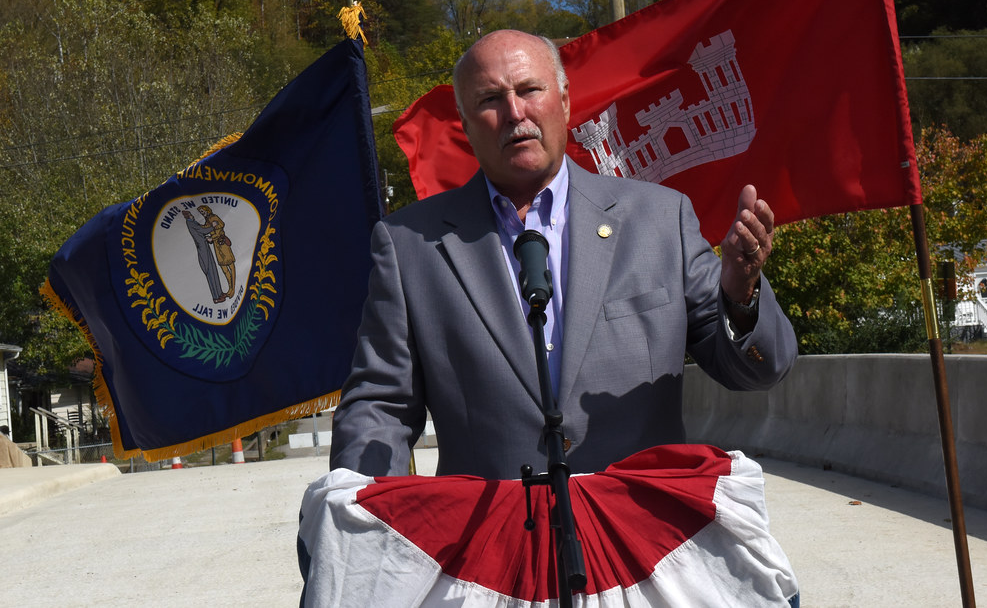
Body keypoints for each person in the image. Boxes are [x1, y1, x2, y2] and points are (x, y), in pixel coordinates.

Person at [329, 30, 797, 481]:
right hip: (492, 541)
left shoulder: (660, 218)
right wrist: (361, 518)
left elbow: (759, 370)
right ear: (465, 123)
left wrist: (740, 293)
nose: (514, 112)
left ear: (566, 101)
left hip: (642, 531)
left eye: (530, 89)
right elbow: (380, 405)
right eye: (489, 100)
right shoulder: (410, 244)